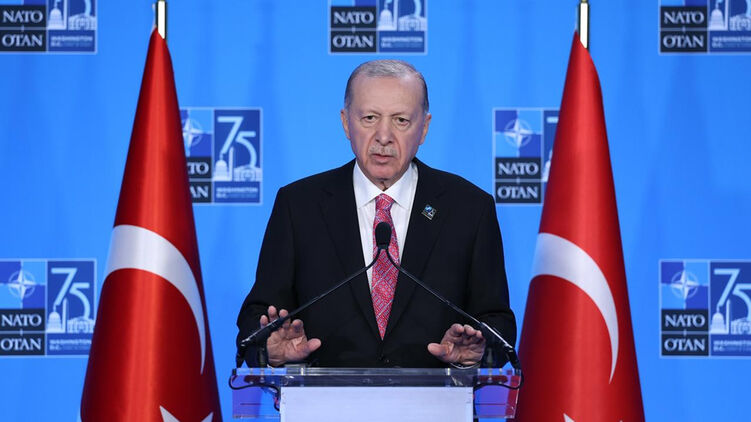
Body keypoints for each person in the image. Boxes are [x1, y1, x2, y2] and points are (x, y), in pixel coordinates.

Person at [236, 59, 515, 368]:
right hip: (326, 397)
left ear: (424, 128)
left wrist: (477, 351)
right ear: (346, 122)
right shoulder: (299, 205)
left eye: (401, 120)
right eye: (369, 118)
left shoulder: (469, 208)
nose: (384, 136)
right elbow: (256, 316)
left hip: (436, 396)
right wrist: (268, 348)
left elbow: (498, 322)